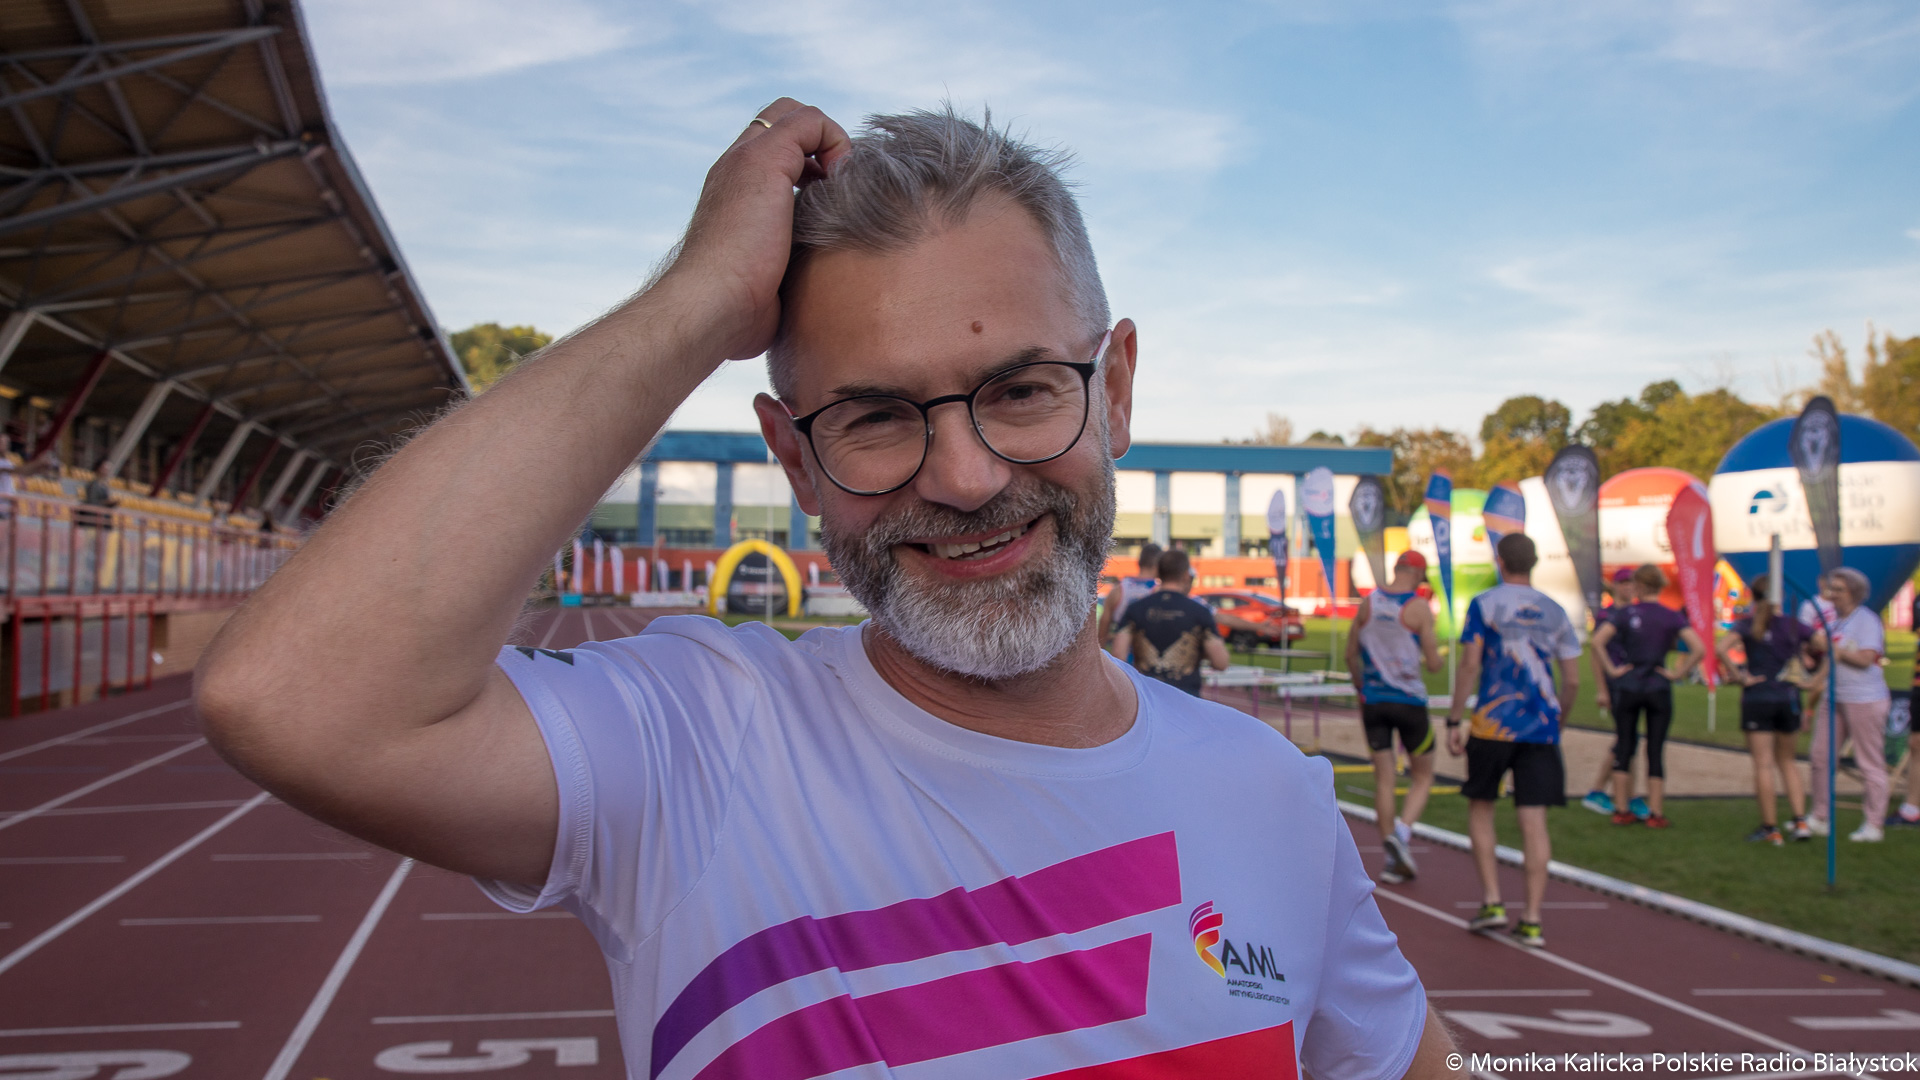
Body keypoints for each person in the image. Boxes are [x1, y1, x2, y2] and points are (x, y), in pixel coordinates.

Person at [197, 103, 1454, 1078]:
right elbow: (296, 697)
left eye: (1022, 391)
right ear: (792, 458)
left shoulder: (1272, 797)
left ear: (1114, 391)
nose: (964, 478)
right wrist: (697, 299)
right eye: (875, 416)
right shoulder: (698, 746)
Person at [1447, 533, 1581, 950]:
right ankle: (1533, 918)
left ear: (1499, 560)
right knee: (1534, 821)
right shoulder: (1555, 610)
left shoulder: (1484, 604)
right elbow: (1572, 680)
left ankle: (1492, 900)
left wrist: (1454, 717)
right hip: (1540, 728)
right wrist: (1558, 721)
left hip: (1492, 725)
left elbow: (1470, 664)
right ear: (1534, 561)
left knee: (1481, 808)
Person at [1345, 550, 1442, 884]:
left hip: (1374, 701)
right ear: (1417, 574)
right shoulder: (1418, 607)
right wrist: (1437, 656)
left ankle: (1391, 858)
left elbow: (1350, 654)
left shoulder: (1368, 603)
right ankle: (1402, 833)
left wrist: (1361, 687)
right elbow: (1433, 663)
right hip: (1409, 701)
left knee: (1384, 779)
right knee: (1423, 775)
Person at [1589, 565, 1704, 829]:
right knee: (1655, 749)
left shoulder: (1625, 614)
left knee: (1625, 746)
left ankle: (1621, 809)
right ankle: (1656, 811)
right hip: (1658, 686)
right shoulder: (1671, 616)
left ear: (1639, 586)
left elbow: (1597, 642)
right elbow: (1698, 648)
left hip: (1629, 684)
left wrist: (1612, 670)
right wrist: (1677, 673)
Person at [1715, 574, 1813, 844]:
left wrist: (1741, 676)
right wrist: (1815, 680)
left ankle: (1770, 827)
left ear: (1753, 596)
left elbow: (1721, 649)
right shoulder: (1792, 625)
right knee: (1788, 762)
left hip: (1758, 697)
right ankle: (1800, 821)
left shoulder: (1747, 625)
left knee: (1763, 764)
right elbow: (1828, 647)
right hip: (1788, 697)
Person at [1805, 567, 1892, 842]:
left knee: (1869, 762)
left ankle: (1874, 824)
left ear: (1854, 593)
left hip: (1864, 698)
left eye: (1839, 590)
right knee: (1821, 756)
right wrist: (1815, 677)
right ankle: (1820, 816)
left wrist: (1834, 650)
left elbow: (1866, 658)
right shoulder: (1834, 622)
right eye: (1831, 589)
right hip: (1834, 697)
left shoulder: (1866, 620)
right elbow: (1829, 659)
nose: (1832, 594)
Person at [1109, 548, 1229, 696]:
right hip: (1185, 697)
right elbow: (1221, 662)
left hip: (1148, 696)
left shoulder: (1135, 609)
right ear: (1186, 575)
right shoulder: (1200, 612)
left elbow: (1118, 655)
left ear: (1158, 573)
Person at [1581, 568, 1645, 817]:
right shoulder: (1607, 615)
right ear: (1616, 586)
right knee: (1626, 739)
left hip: (1633, 682)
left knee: (1629, 739)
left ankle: (1629, 794)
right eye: (1624, 583)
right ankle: (1599, 791)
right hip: (1616, 682)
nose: (1628, 587)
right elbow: (1596, 653)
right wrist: (1601, 689)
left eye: (1631, 583)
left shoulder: (1636, 613)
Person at [1097, 541, 1160, 646]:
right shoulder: (1159, 591)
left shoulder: (1118, 589)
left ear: (1139, 562)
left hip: (1120, 651)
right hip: (1146, 651)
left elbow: (1103, 631)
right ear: (1159, 565)